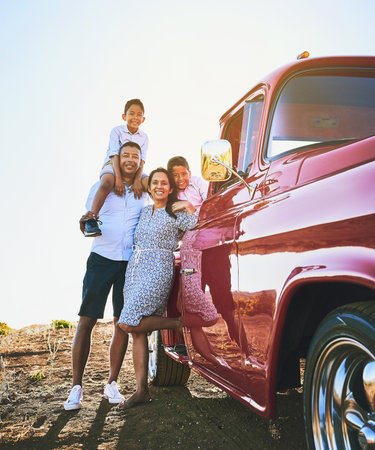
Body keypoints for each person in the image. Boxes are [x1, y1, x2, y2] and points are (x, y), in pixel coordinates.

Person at [64, 142, 148, 411]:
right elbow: (88, 221)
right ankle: (76, 388)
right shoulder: (102, 186)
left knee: (121, 323)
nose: (130, 160)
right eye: (126, 155)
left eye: (135, 156)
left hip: (129, 263)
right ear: (117, 159)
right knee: (87, 320)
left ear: (140, 160)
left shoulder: (143, 191)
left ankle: (111, 383)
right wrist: (85, 221)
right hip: (101, 259)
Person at [117, 168, 197, 409]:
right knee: (138, 332)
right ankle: (141, 390)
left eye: (164, 183)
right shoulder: (142, 212)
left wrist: (189, 206)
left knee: (127, 323)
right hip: (135, 270)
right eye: (155, 182)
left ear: (170, 189)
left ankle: (176, 323)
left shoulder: (175, 212)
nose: (159, 186)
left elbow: (197, 226)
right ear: (149, 187)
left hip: (159, 268)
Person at [84, 99, 148, 237]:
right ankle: (91, 220)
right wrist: (118, 179)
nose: (135, 117)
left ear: (143, 119)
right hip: (113, 164)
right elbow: (114, 155)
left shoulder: (144, 137)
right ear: (124, 116)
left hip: (134, 168)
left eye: (139, 114)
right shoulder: (117, 131)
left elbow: (142, 161)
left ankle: (164, 219)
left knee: (150, 183)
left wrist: (137, 180)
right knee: (107, 183)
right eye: (131, 113)